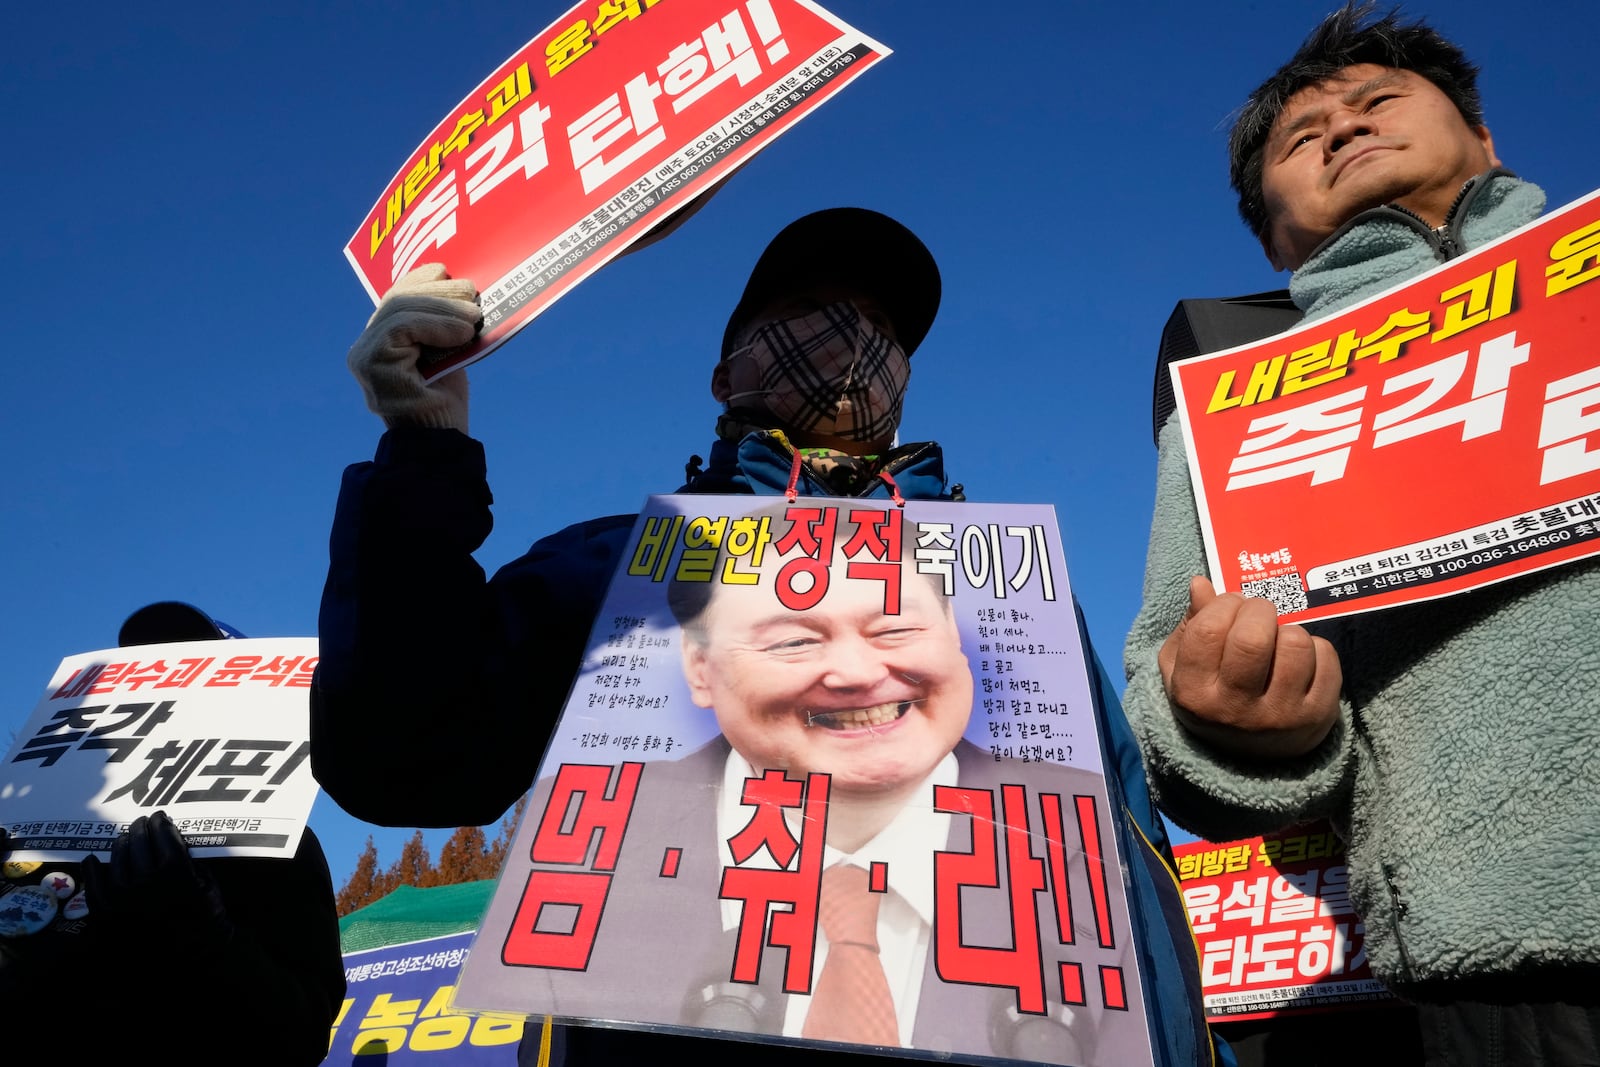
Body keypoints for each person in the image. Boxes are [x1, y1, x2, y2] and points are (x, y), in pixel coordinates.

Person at [313, 207, 1226, 1065]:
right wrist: (423, 454)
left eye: (878, 327)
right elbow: (405, 756)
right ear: (726, 373)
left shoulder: (1010, 595)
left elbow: (1132, 856)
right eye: (804, 313)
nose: (848, 340)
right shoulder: (623, 567)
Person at [1122, 6, 1599, 1065]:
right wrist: (1243, 722)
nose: (1340, 127)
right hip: (1492, 953)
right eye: (1302, 137)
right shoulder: (1234, 404)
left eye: (1377, 100)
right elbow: (1170, 671)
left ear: (1486, 138)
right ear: (1270, 226)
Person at [505, 503, 1142, 1064]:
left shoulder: (1090, 839)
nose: (858, 674)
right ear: (700, 669)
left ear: (952, 636)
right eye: (793, 641)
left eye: (894, 629)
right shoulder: (586, 848)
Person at [0, 601, 345, 1066]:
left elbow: (300, 1037)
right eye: (143, 664)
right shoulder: (29, 832)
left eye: (198, 663)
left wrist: (203, 933)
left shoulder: (277, 845)